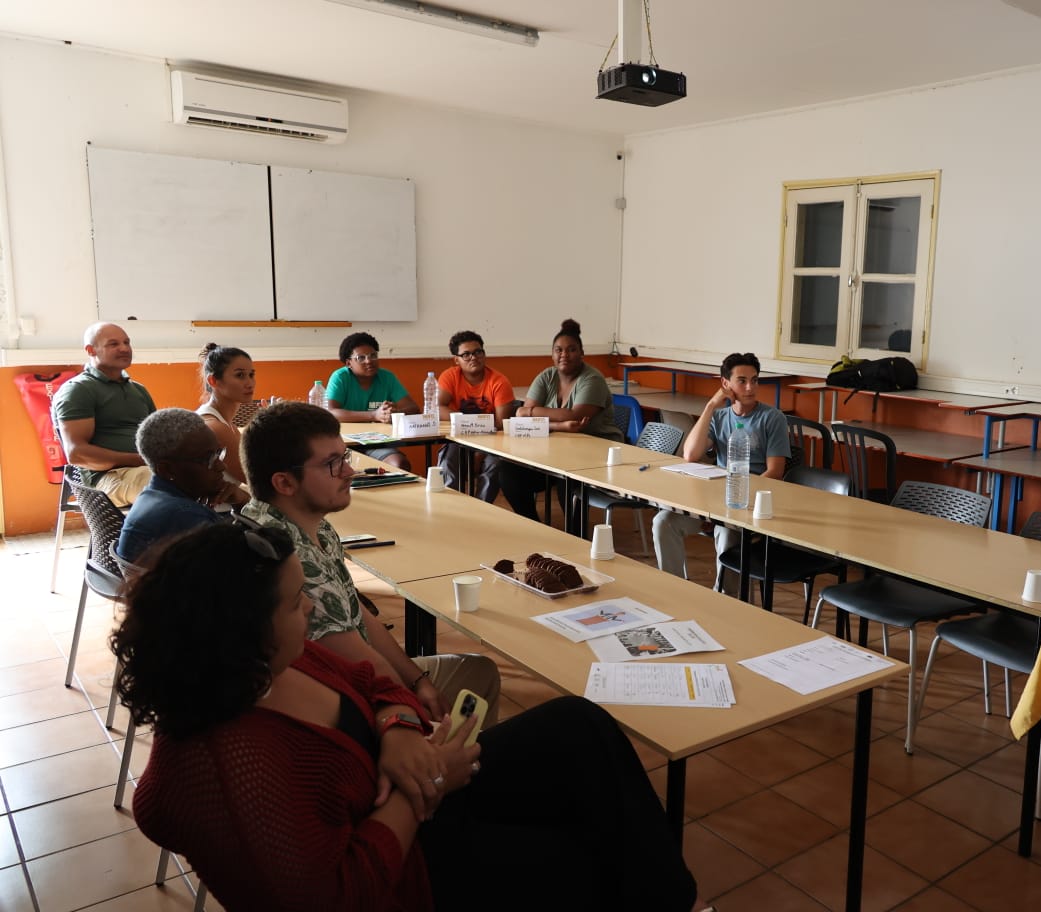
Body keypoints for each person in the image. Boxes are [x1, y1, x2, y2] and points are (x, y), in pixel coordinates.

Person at [116, 523, 700, 911]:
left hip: (417, 790)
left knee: (577, 726)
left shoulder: (270, 665)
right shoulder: (227, 762)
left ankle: (672, 899)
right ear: (241, 631)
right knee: (581, 862)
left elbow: (371, 682)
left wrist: (398, 734)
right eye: (296, 602)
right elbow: (344, 895)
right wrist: (424, 785)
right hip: (405, 867)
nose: (313, 606)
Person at [240, 401, 500, 727]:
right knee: (479, 676)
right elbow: (357, 659)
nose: (349, 471)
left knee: (478, 670)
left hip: (352, 677)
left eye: (344, 457)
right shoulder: (289, 556)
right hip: (343, 697)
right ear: (285, 483)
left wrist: (417, 679)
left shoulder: (310, 523)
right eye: (332, 464)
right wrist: (407, 704)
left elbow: (354, 610)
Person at [653, 352, 789, 579]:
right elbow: (690, 454)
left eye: (754, 380)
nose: (749, 388)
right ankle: (673, 587)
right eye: (742, 381)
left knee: (726, 535)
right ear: (725, 384)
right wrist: (711, 406)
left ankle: (725, 598)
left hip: (748, 504)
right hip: (716, 500)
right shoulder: (720, 417)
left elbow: (775, 472)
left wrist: (729, 505)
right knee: (663, 522)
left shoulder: (772, 418)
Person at [499, 318, 623, 523]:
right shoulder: (547, 376)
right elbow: (523, 419)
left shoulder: (592, 379)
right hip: (556, 452)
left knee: (568, 478)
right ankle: (533, 526)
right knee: (509, 473)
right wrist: (560, 425)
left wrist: (529, 412)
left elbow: (575, 416)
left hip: (596, 455)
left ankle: (577, 538)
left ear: (582, 353)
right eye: (558, 350)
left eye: (571, 349)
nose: (564, 355)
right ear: (552, 354)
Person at [52, 322, 156, 506]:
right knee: (168, 486)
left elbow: (157, 437)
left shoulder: (139, 390)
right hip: (105, 479)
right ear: (91, 350)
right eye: (113, 344)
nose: (124, 348)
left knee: (204, 479)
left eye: (127, 342)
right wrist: (138, 460)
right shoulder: (78, 390)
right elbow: (77, 454)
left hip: (146, 470)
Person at [115, 409, 234, 563]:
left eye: (218, 453)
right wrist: (245, 503)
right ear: (167, 469)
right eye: (208, 459)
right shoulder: (184, 516)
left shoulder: (151, 495)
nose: (221, 466)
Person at [434, 331, 516, 501]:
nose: (473, 357)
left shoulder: (499, 381)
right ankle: (449, 507)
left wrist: (480, 449)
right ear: (456, 360)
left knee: (495, 465)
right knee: (448, 461)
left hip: (492, 440)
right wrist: (468, 422)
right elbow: (437, 408)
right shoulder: (450, 376)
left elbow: (501, 423)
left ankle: (481, 509)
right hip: (459, 438)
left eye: (478, 352)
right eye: (466, 354)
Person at [325, 331, 418, 470]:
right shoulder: (340, 377)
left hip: (377, 443)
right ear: (349, 363)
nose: (369, 361)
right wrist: (374, 415)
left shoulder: (387, 377)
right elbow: (331, 412)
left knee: (399, 464)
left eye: (373, 355)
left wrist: (395, 413)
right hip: (345, 444)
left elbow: (413, 408)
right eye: (360, 358)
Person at [196, 342, 256, 488]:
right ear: (213, 381)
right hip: (214, 510)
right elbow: (257, 481)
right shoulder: (214, 427)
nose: (250, 383)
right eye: (240, 375)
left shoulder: (228, 425)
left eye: (251, 375)